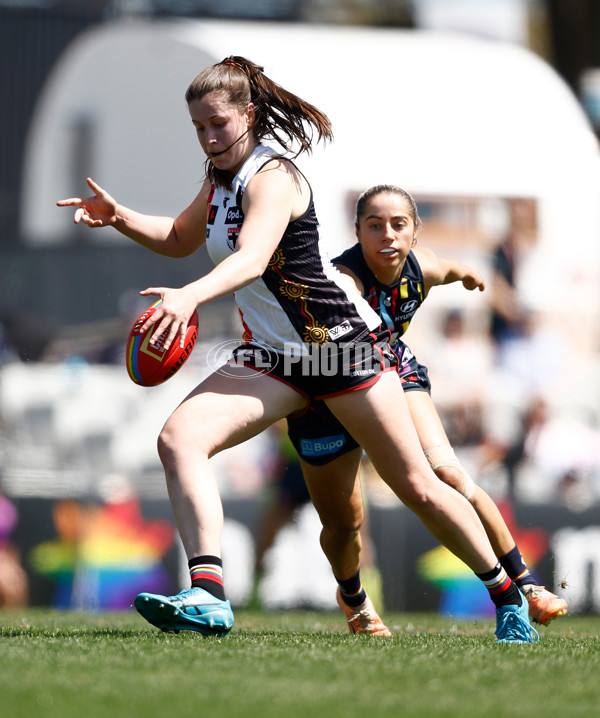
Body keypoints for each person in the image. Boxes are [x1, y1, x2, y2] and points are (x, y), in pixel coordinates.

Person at [57, 56, 537, 643]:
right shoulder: (218, 178)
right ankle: (208, 595)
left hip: (339, 349)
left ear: (250, 116)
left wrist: (188, 298)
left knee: (417, 483)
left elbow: (252, 259)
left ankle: (507, 595)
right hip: (278, 361)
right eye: (199, 128)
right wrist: (120, 217)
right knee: (180, 440)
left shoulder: (274, 177)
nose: (209, 137)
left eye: (218, 124)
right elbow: (182, 238)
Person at [287, 185, 566, 630]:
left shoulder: (423, 267)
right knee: (343, 524)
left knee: (450, 475)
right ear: (356, 232)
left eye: (398, 225)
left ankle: (527, 587)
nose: (387, 236)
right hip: (327, 389)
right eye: (374, 226)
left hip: (392, 372)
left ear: (415, 232)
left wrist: (472, 277)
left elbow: (451, 268)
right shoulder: (343, 280)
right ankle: (354, 598)